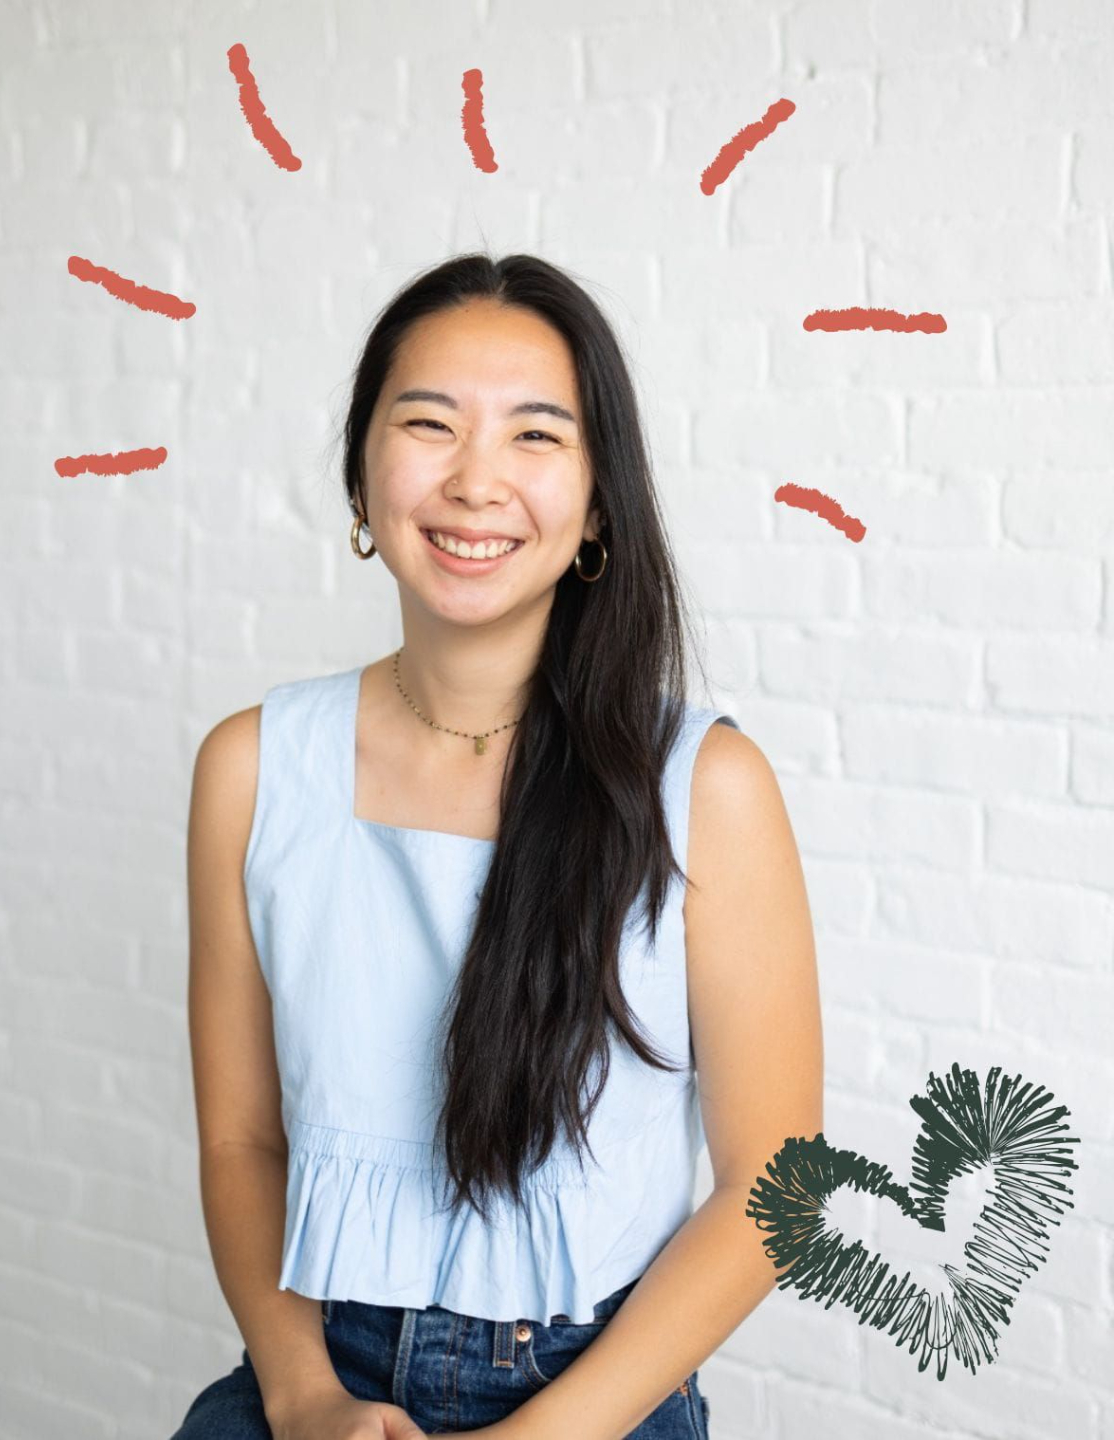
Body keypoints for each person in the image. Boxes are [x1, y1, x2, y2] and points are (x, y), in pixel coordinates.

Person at [174, 252, 822, 1439]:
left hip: (599, 1395)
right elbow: (240, 1136)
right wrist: (303, 1391)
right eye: (428, 423)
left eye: (535, 436)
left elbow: (772, 1185)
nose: (475, 481)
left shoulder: (704, 787)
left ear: (594, 503)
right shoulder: (251, 768)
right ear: (361, 478)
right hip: (321, 1372)